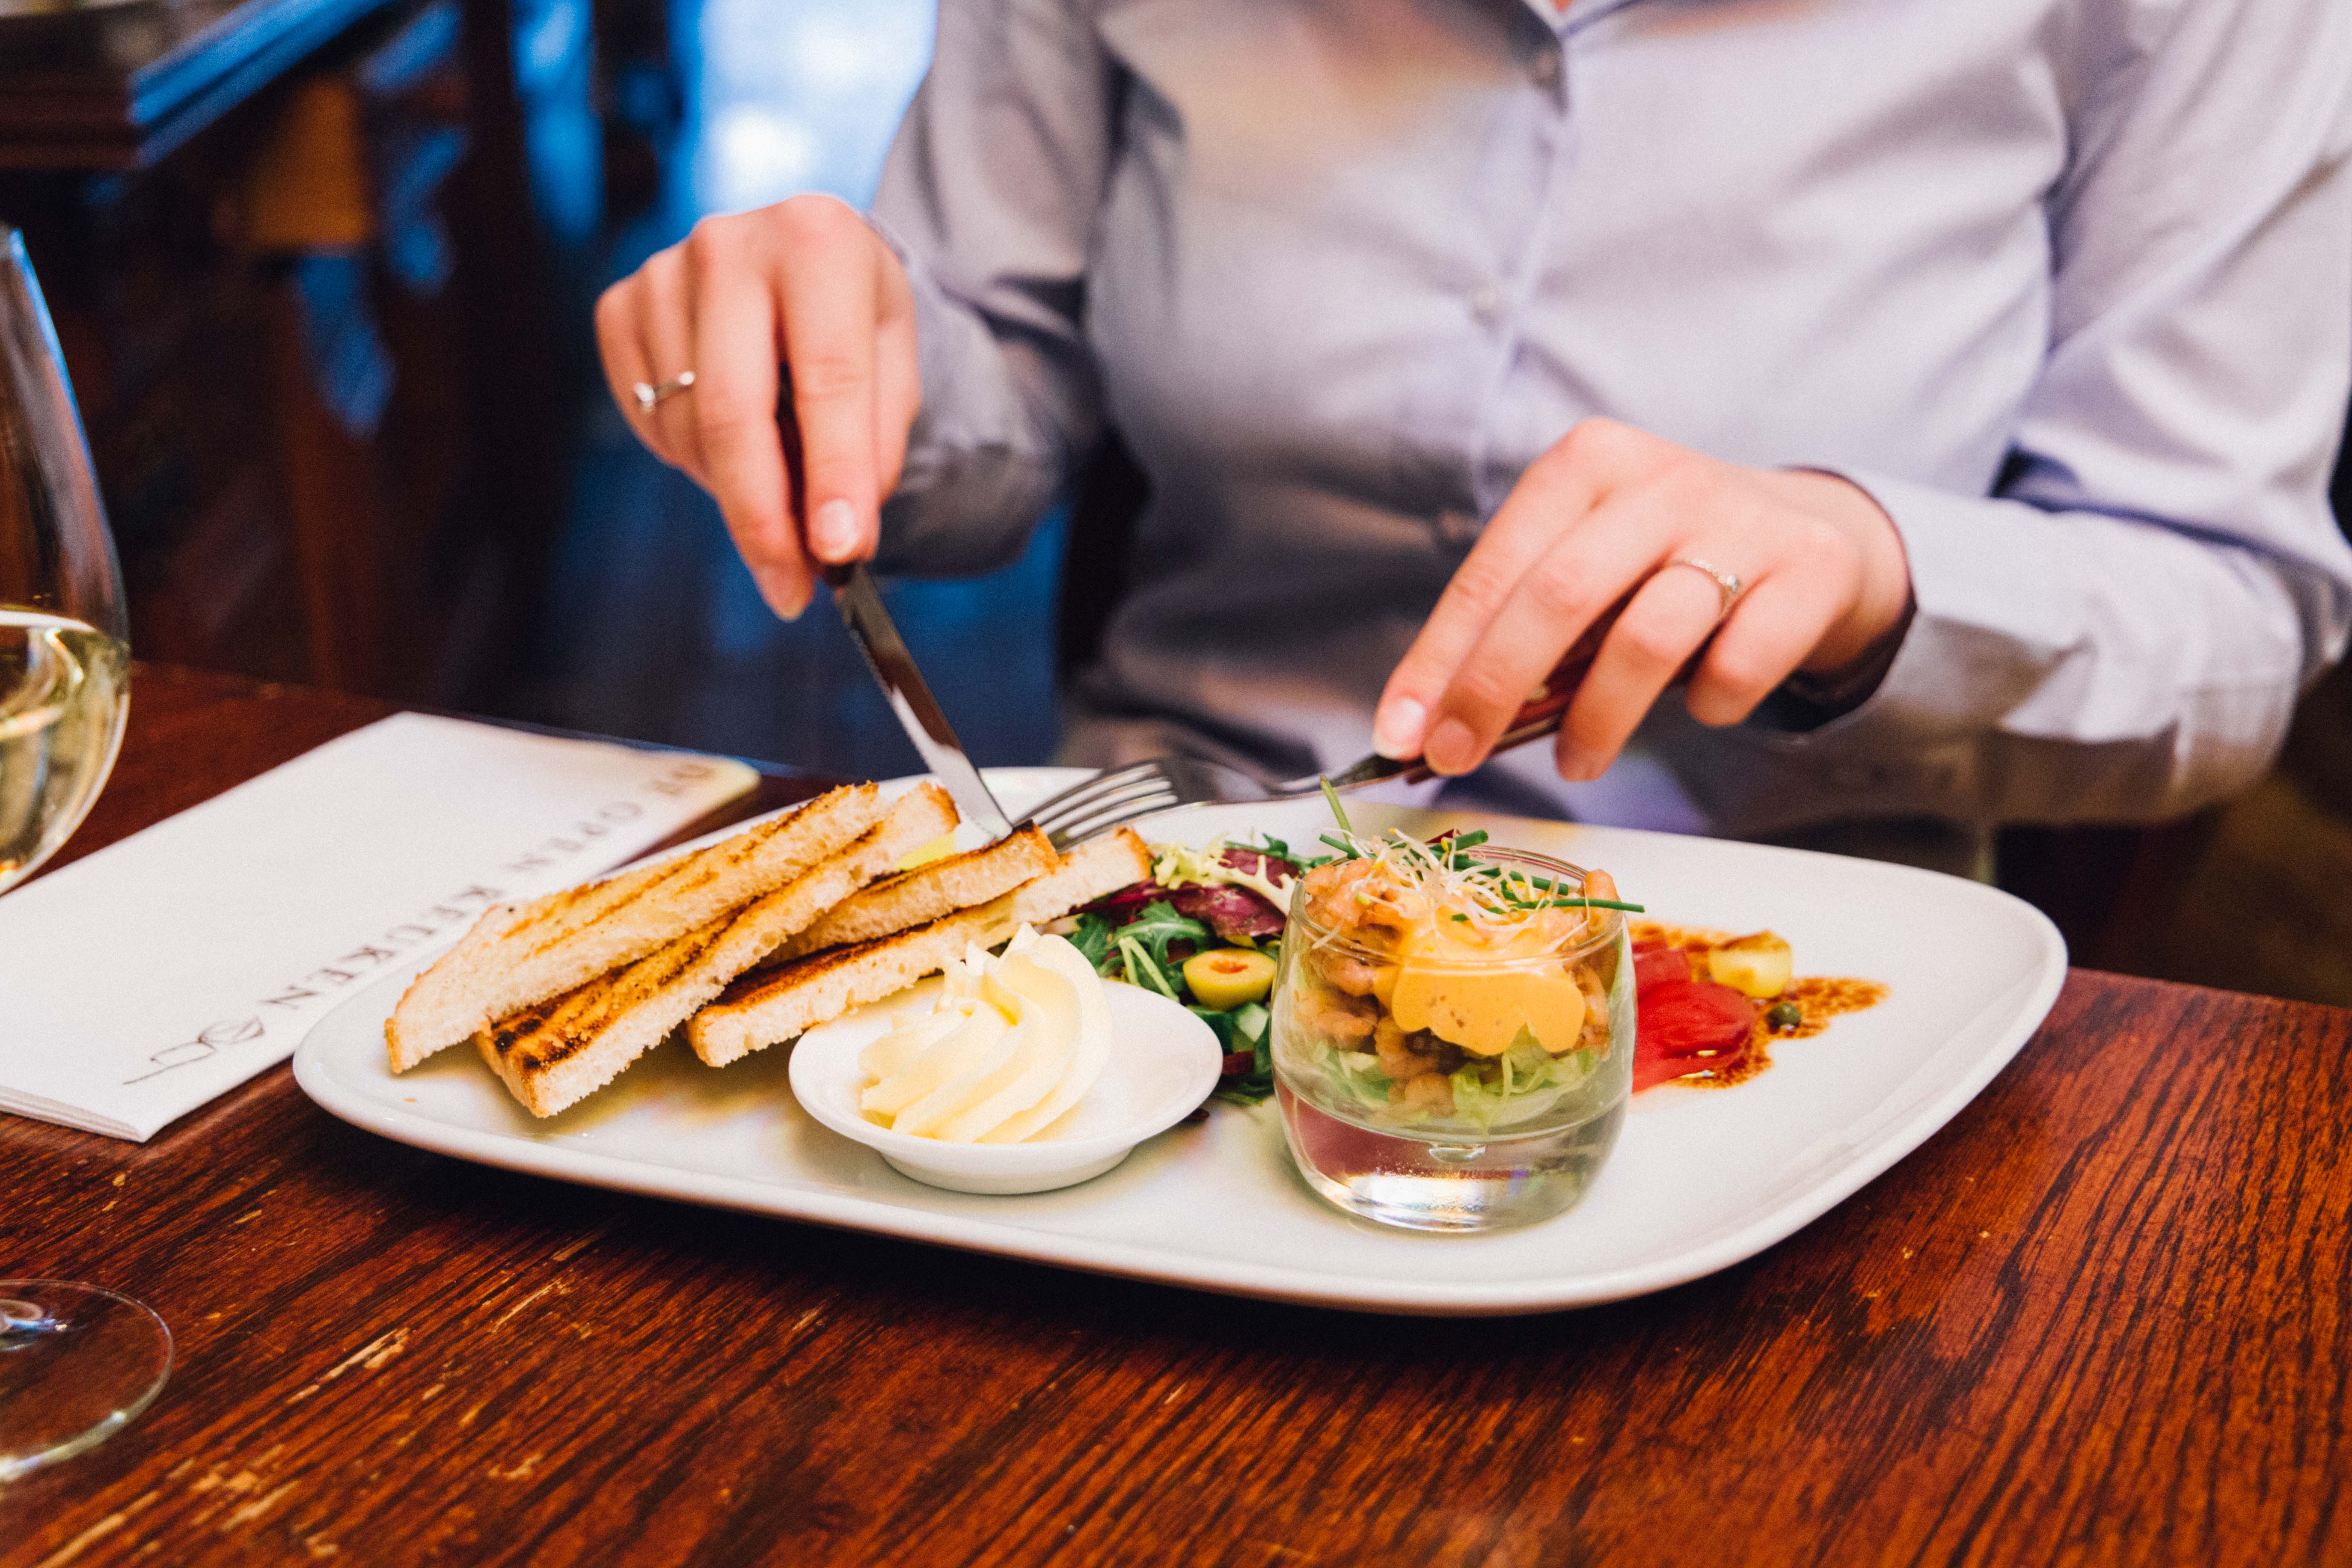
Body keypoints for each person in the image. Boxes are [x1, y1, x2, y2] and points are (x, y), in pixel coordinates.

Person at [595, 0, 2352, 873]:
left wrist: (1878, 571)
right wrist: (827, 371)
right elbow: (1002, 388)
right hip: (1164, 882)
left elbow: (2228, 610)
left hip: (1788, 961)